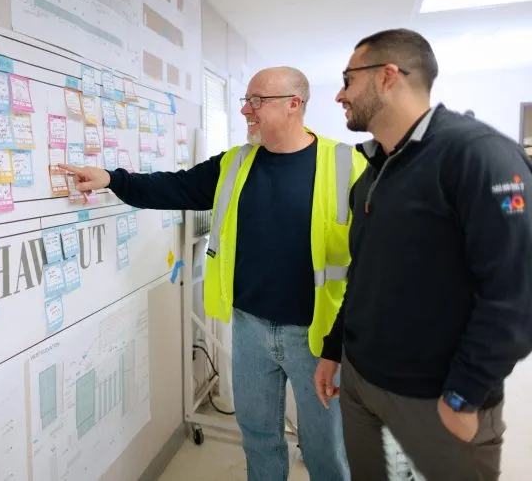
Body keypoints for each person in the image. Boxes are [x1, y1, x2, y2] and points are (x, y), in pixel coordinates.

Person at [62, 67, 364, 481]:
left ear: (294, 105)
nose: (245, 110)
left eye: (257, 101)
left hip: (317, 334)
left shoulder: (348, 164)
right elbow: (175, 187)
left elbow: (373, 259)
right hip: (250, 328)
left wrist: (347, 341)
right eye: (246, 99)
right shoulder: (236, 163)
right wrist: (113, 179)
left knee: (326, 446)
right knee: (258, 435)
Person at [314, 28, 532, 481]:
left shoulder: (477, 156)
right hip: (361, 384)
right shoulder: (373, 172)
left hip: (435, 396)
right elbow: (364, 272)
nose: (339, 94)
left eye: (348, 78)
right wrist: (335, 349)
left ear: (388, 76)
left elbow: (517, 291)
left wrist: (464, 394)